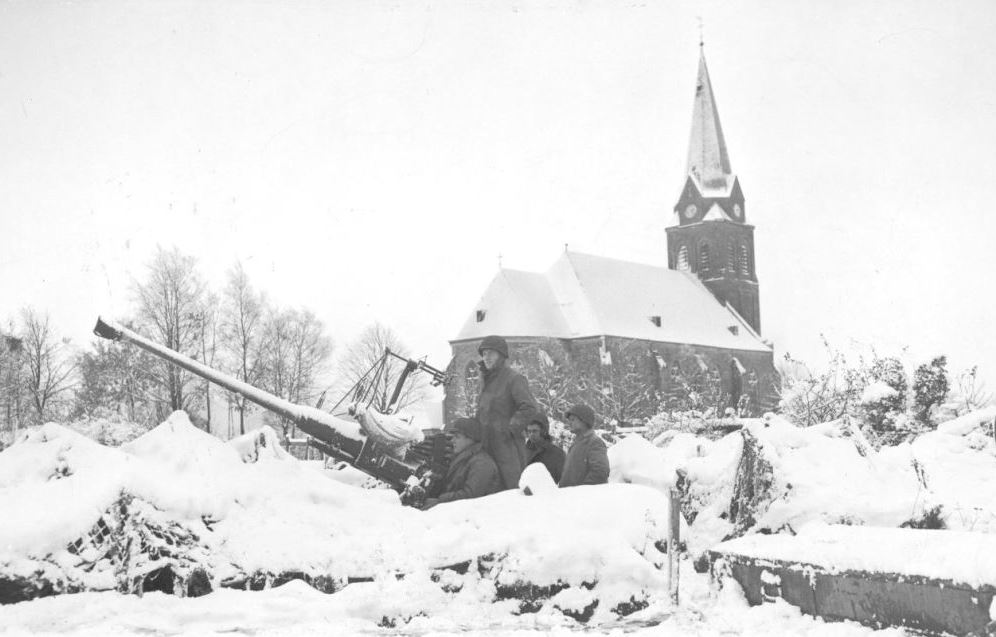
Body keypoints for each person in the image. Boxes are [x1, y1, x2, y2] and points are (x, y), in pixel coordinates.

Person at [475, 335, 540, 490]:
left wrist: (509, 429)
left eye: (491, 353)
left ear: (501, 355)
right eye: (484, 353)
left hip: (507, 448)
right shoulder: (485, 381)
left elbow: (529, 407)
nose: (486, 357)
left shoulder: (514, 379)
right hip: (485, 445)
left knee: (511, 490)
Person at [422, 417, 500, 509]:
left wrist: (440, 501)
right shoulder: (464, 458)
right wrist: (438, 479)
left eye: (457, 437)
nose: (452, 440)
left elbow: (471, 496)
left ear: (471, 439)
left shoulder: (482, 463)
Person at [558, 404, 610, 488]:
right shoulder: (576, 443)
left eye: (573, 420)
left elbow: (600, 473)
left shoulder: (595, 443)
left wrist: (581, 493)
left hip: (581, 499)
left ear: (584, 421)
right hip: (568, 498)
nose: (569, 423)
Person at [524, 413, 566, 483]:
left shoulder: (558, 454)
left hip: (548, 492)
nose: (531, 434)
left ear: (544, 432)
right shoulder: (523, 451)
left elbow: (563, 481)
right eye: (529, 431)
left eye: (535, 431)